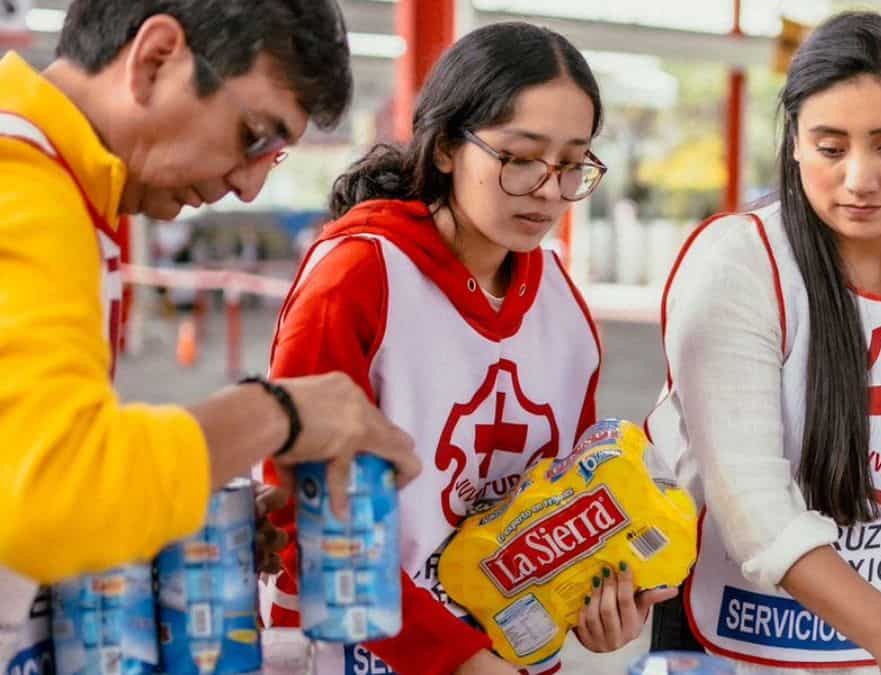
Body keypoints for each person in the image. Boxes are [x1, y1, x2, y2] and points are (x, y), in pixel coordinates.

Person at [0, 0, 419, 665]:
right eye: (253, 134)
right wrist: (275, 412)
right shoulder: (19, 184)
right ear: (157, 58)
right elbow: (53, 500)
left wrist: (175, 497)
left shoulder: (61, 186)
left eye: (273, 158)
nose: (250, 187)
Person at [260, 21, 675, 675]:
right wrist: (458, 660)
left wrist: (598, 610)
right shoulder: (359, 277)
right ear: (449, 145)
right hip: (352, 653)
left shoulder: (561, 306)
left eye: (572, 164)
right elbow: (300, 522)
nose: (548, 189)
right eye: (521, 158)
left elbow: (562, 502)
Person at [644, 12, 881, 675]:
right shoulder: (738, 265)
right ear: (794, 139)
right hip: (741, 645)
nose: (859, 178)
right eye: (831, 147)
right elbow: (755, 511)